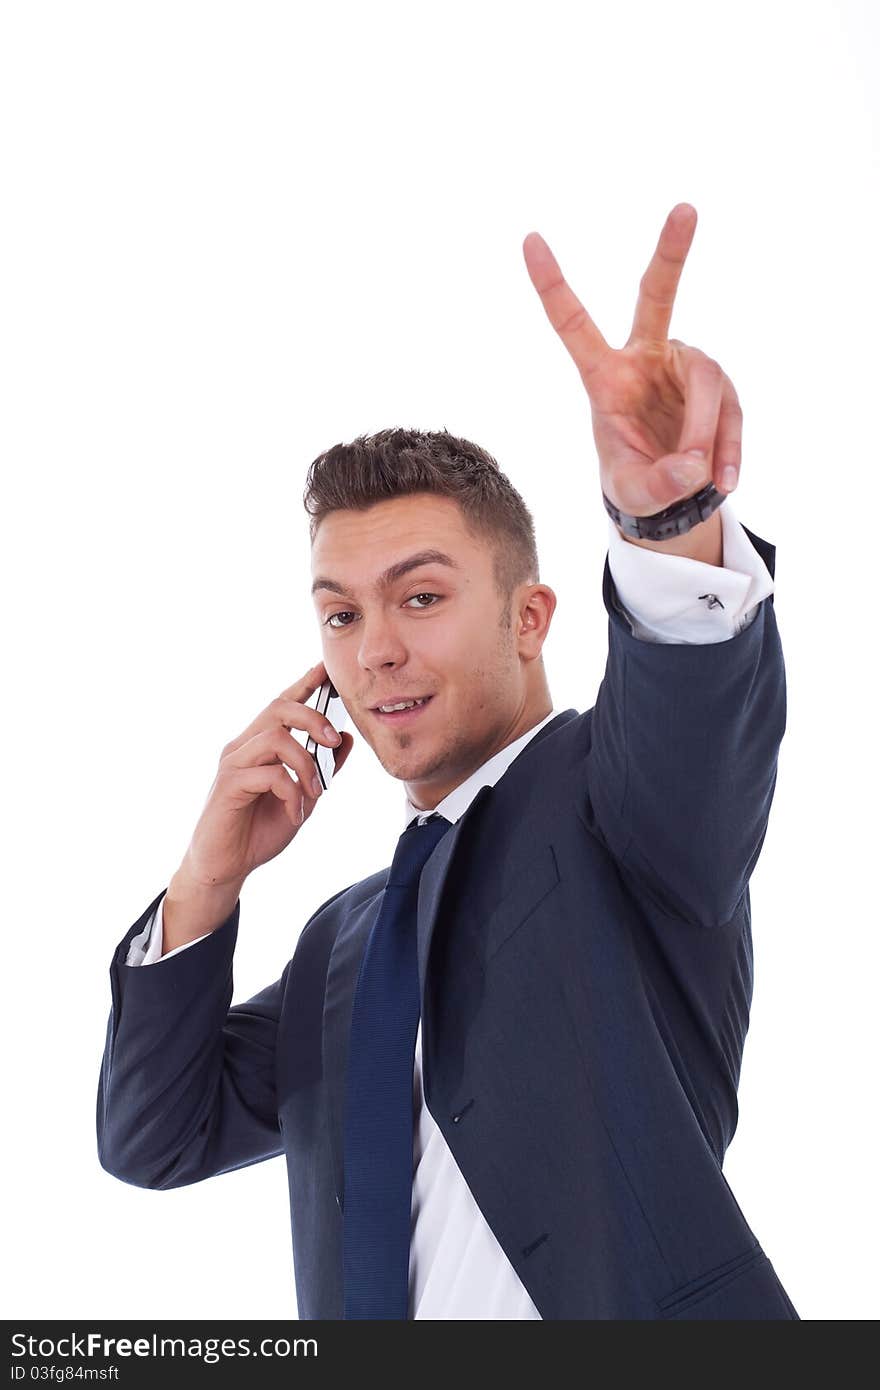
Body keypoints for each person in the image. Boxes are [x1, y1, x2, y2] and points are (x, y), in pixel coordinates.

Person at [97, 204, 799, 1320]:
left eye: (420, 596)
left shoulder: (614, 801)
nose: (375, 648)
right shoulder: (349, 936)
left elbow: (692, 719)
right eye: (340, 614)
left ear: (530, 617)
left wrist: (669, 523)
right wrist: (206, 881)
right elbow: (154, 1136)